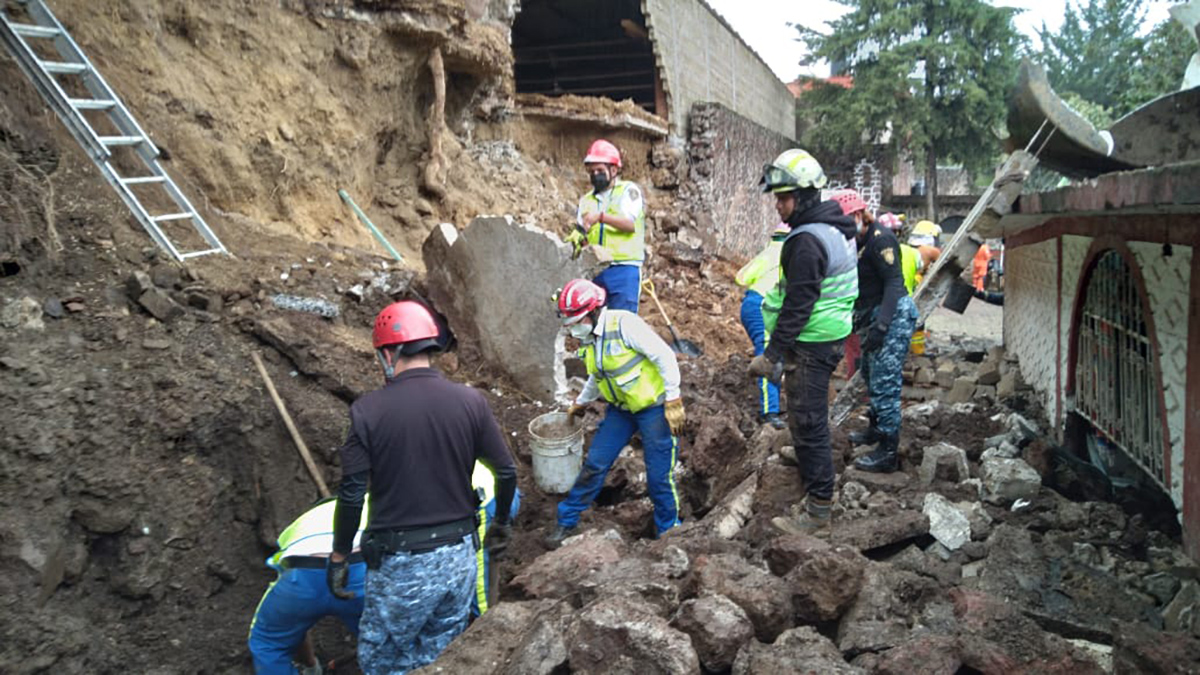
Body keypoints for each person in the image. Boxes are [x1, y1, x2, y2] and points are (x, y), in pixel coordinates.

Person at [328, 300, 517, 674]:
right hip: (459, 557)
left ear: (388, 352)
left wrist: (338, 557)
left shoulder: (367, 412)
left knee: (382, 661)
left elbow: (351, 494)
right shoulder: (470, 401)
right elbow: (507, 471)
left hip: (402, 563)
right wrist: (502, 525)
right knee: (440, 657)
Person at [748, 149, 859, 536]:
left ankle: (818, 510)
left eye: (784, 197)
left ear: (807, 195)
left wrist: (772, 353)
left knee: (809, 419)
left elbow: (798, 304)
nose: (778, 205)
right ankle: (806, 455)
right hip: (827, 333)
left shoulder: (807, 241)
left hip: (813, 340)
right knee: (803, 410)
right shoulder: (835, 226)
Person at [546, 278, 684, 545]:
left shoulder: (624, 324)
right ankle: (566, 521)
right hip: (621, 410)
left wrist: (673, 398)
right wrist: (582, 402)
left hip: (653, 408)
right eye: (570, 324)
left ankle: (668, 532)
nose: (573, 329)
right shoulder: (590, 339)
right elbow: (598, 375)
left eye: (577, 322)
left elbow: (664, 356)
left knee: (659, 476)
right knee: (595, 464)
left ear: (595, 312)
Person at [838, 191, 919, 474]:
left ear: (859, 215)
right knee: (872, 375)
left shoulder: (880, 239)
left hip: (891, 315)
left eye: (845, 221)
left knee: (885, 382)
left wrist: (883, 327)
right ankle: (874, 430)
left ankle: (887, 450)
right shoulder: (859, 241)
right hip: (872, 316)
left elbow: (894, 285)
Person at [249, 498, 369, 675]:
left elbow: (293, 624)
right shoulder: (379, 498)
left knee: (269, 644)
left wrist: (311, 666)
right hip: (359, 572)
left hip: (301, 575)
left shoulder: (304, 521)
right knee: (390, 639)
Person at [566, 139, 646, 313]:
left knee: (620, 323)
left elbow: (629, 224)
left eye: (600, 170)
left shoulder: (628, 192)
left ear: (614, 170)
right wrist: (579, 237)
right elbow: (582, 231)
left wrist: (601, 217)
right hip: (596, 270)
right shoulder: (586, 200)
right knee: (594, 326)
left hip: (624, 269)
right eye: (592, 171)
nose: (596, 175)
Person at [734, 222, 791, 429]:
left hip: (751, 303)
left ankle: (773, 404)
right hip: (763, 306)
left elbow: (741, 278)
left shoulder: (767, 253)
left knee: (773, 353)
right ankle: (769, 412)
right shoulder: (790, 254)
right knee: (770, 356)